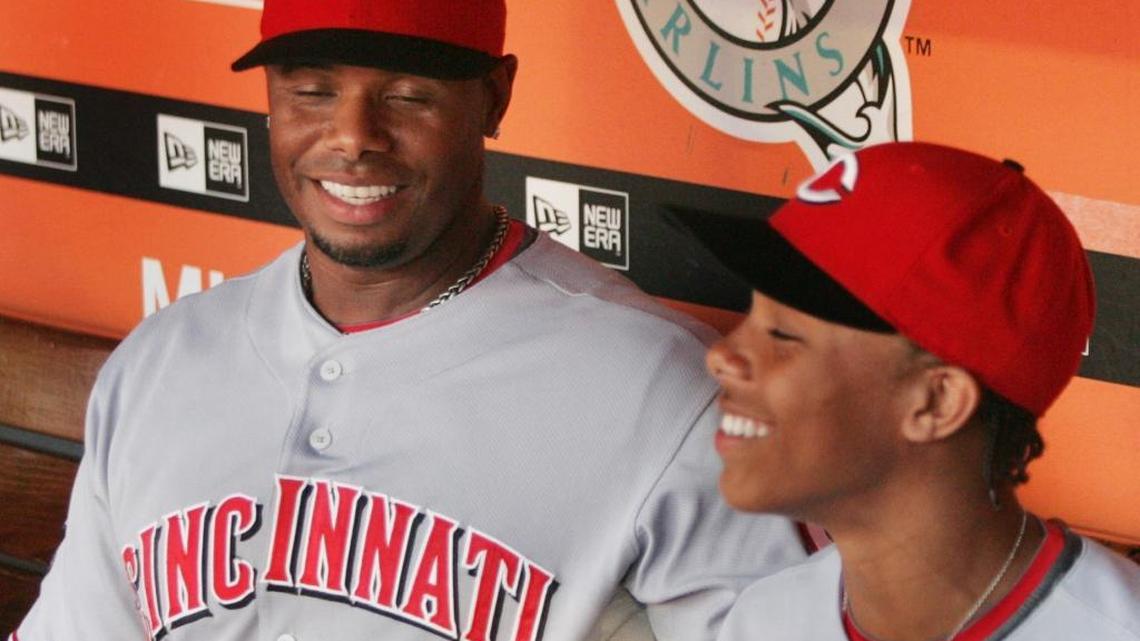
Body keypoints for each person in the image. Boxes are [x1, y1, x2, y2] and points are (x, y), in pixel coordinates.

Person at [9, 1, 809, 640]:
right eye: (311, 89)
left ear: (494, 96)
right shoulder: (161, 364)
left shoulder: (656, 392)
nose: (353, 137)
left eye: (406, 95)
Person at [672, 141, 1140, 640]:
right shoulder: (765, 620)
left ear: (937, 402)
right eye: (751, 316)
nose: (721, 356)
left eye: (783, 334)